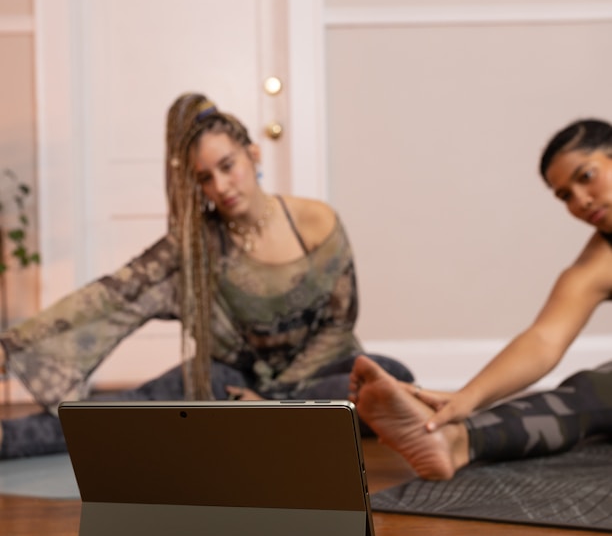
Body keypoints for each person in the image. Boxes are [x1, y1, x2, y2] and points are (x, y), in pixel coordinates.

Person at [0, 92, 413, 459]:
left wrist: (270, 398)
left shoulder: (315, 221)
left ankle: (269, 418)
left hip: (317, 373)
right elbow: (112, 295)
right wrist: (13, 347)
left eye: (227, 165)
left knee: (391, 377)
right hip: (232, 382)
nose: (221, 185)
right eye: (205, 178)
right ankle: (8, 439)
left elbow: (340, 322)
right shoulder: (194, 245)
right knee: (130, 410)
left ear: (254, 154)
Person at [349, 117, 612, 480]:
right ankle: (455, 440)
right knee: (592, 390)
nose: (581, 201)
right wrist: (464, 399)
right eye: (565, 195)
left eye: (586, 176)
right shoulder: (596, 265)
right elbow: (543, 340)